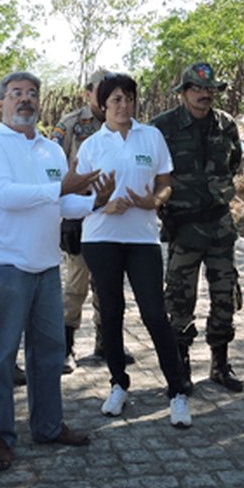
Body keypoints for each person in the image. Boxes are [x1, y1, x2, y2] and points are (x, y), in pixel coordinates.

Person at [0, 71, 114, 471]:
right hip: (7, 266)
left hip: (47, 267)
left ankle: (49, 426)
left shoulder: (50, 149)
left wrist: (94, 203)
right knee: (2, 357)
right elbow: (5, 195)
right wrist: (62, 189)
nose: (25, 100)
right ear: (1, 102)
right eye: (16, 93)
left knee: (49, 355)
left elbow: (61, 206)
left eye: (32, 94)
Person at [76, 73, 194, 427]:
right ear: (102, 105)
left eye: (128, 98)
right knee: (111, 313)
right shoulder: (91, 146)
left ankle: (177, 391)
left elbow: (165, 182)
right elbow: (77, 194)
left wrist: (153, 201)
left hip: (142, 237)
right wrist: (101, 204)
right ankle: (118, 383)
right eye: (115, 99)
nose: (123, 105)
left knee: (155, 313)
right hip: (100, 238)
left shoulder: (152, 136)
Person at [151, 62, 244, 393]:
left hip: (220, 226)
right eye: (197, 89)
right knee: (179, 298)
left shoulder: (226, 125)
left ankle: (220, 364)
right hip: (184, 227)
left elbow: (234, 164)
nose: (205, 95)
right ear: (184, 92)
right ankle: (181, 366)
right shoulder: (162, 128)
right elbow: (152, 172)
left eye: (210, 89)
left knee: (225, 297)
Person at [51, 68, 129, 371]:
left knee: (108, 285)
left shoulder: (124, 124)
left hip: (115, 217)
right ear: (89, 92)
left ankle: (106, 344)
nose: (110, 95)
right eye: (102, 89)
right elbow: (57, 168)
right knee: (75, 284)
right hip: (80, 216)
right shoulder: (71, 124)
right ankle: (65, 348)